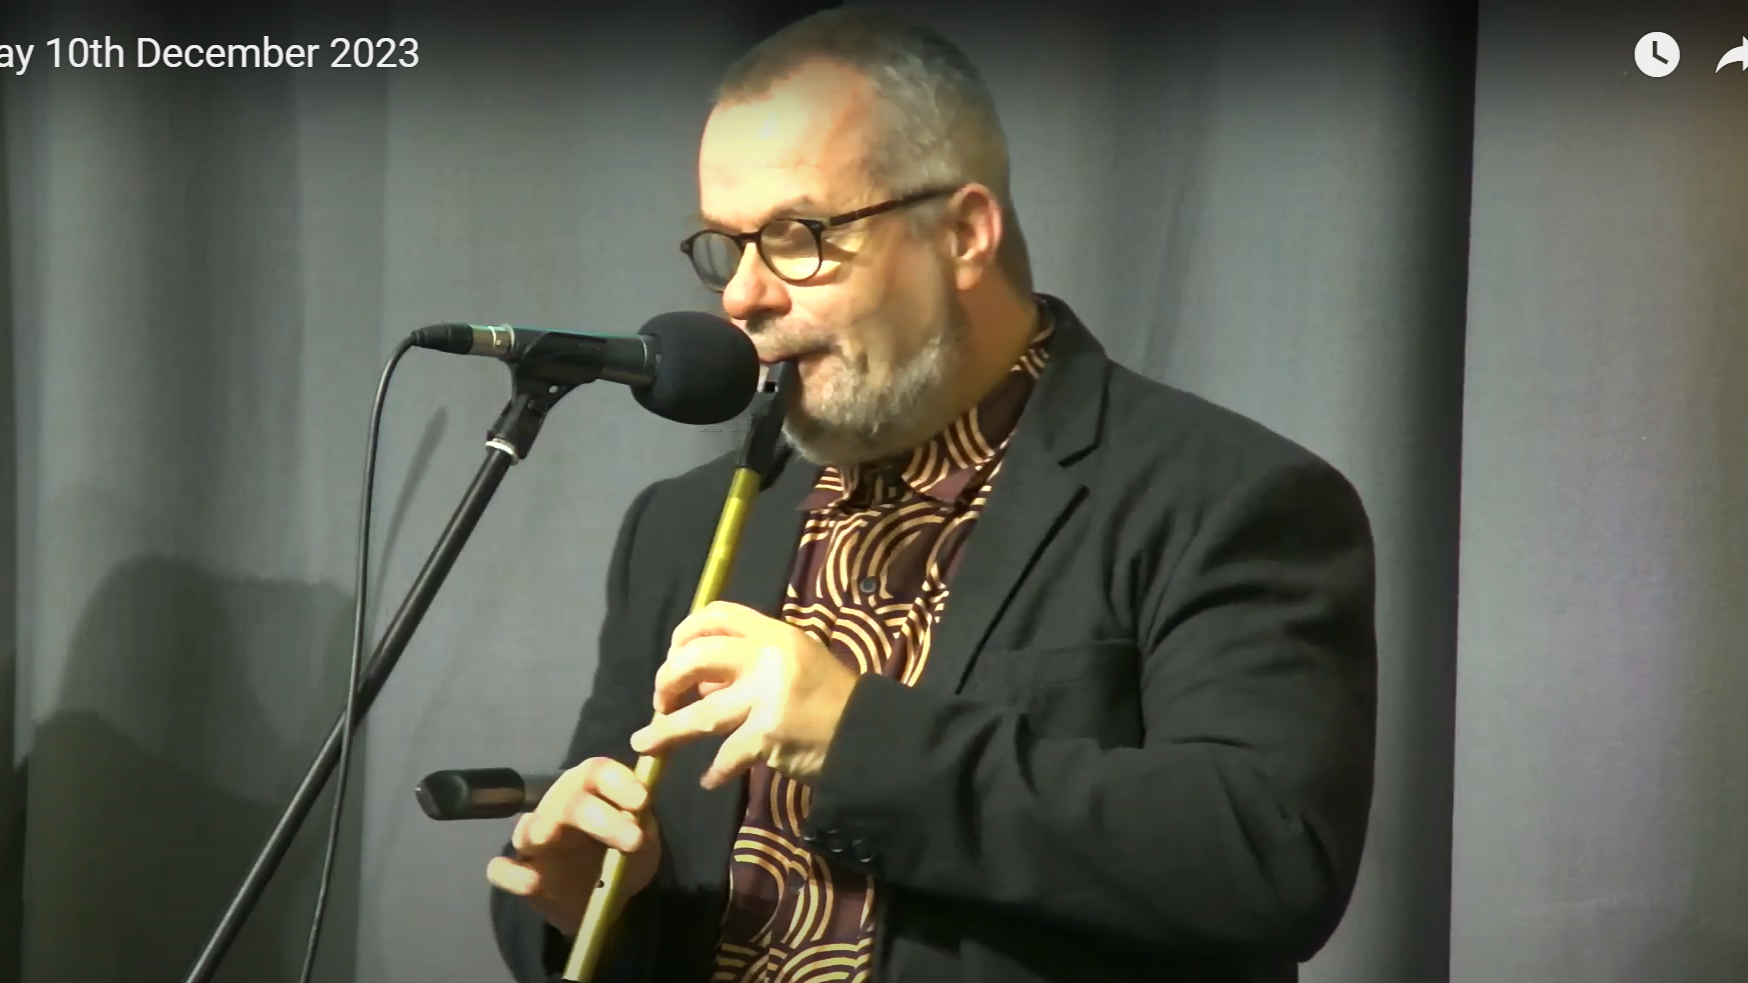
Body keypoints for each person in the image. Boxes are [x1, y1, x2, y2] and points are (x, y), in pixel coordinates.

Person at [487, 9, 1376, 983]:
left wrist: (853, 736)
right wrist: (586, 905)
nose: (741, 296)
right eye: (726, 246)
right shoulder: (679, 526)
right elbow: (619, 896)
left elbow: (1269, 856)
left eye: (794, 235)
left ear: (962, 233)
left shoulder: (1226, 497)